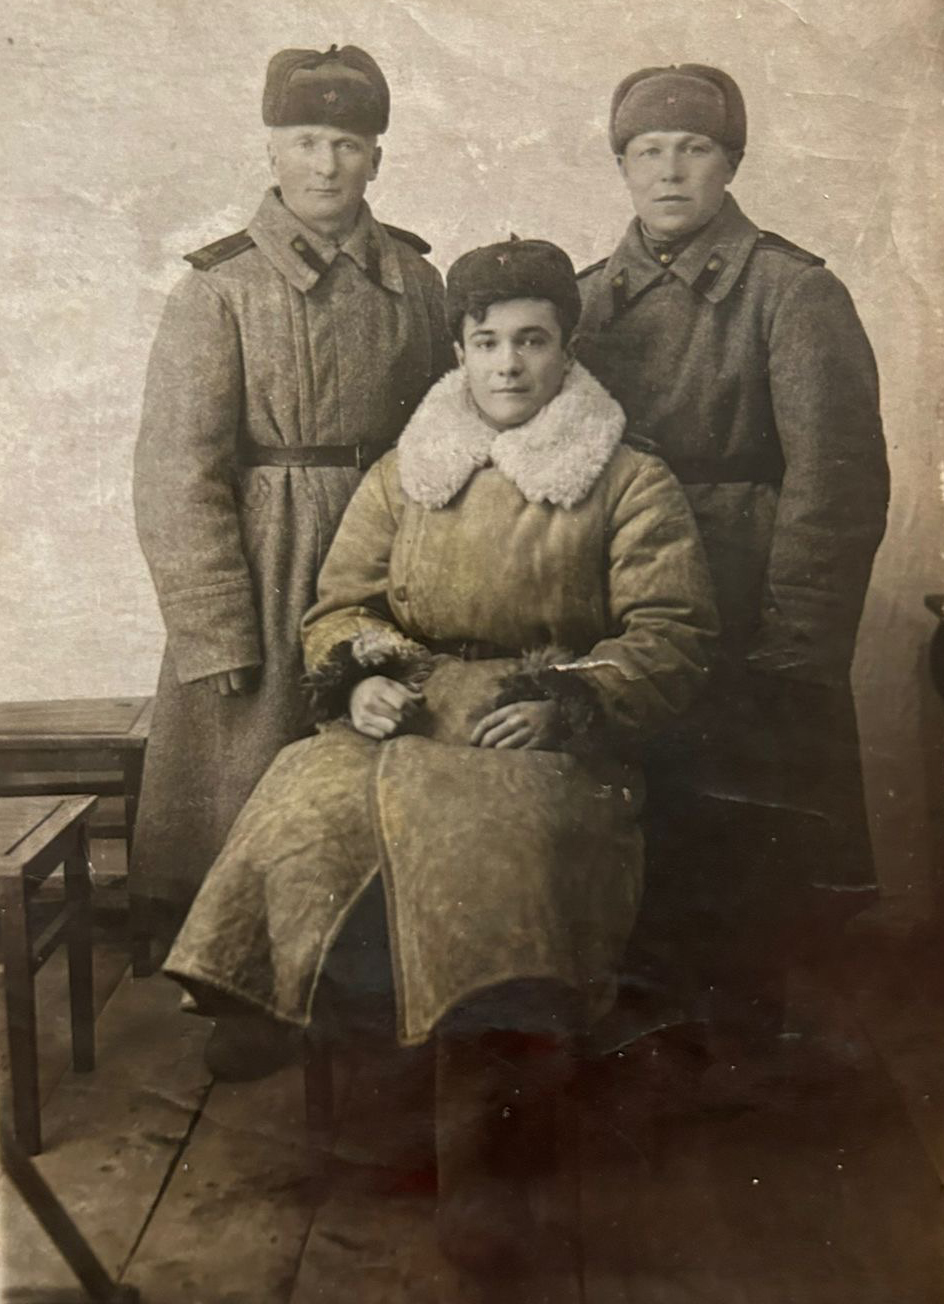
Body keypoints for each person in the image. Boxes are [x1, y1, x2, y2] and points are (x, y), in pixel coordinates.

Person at [163, 237, 718, 1270]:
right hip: (411, 713)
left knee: (495, 871)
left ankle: (487, 1172)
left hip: (541, 729)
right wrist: (360, 675)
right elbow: (342, 604)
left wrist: (569, 703)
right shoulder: (407, 469)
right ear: (458, 350)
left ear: (566, 349)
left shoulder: (626, 476)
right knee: (300, 802)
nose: (508, 364)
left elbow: (670, 632)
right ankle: (289, 1021)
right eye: (487, 342)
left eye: (532, 341)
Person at [575, 64, 889, 1051]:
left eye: (694, 149)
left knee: (750, 848)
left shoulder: (792, 292)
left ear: (731, 162)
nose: (669, 171)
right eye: (648, 151)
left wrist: (797, 646)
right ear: (622, 165)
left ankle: (744, 1065)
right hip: (626, 603)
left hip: (748, 599)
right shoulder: (583, 302)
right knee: (638, 829)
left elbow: (837, 485)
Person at [131, 46, 453, 990]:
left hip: (389, 555)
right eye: (306, 141)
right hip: (269, 568)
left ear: (376, 157)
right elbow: (176, 474)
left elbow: (447, 427)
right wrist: (212, 629)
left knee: (382, 769)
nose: (326, 164)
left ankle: (363, 989)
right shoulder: (219, 289)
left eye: (347, 144)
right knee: (253, 780)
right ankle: (239, 994)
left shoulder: (418, 282)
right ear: (272, 149)